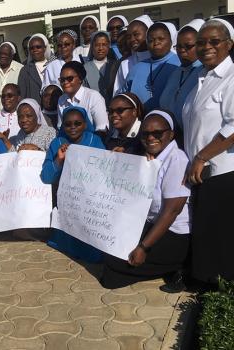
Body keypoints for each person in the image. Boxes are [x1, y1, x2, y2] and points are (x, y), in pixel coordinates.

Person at [101, 110, 190, 290]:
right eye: (145, 134)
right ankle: (161, 267)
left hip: (173, 234)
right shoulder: (148, 157)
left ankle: (176, 267)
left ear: (170, 134)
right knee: (108, 250)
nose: (151, 138)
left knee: (114, 269)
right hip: (150, 224)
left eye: (157, 133)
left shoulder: (177, 160)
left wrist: (143, 247)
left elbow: (171, 211)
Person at [182, 18, 234, 285]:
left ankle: (219, 288)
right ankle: (204, 280)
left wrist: (202, 156)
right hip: (201, 170)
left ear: (229, 44)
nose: (206, 47)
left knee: (219, 231)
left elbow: (233, 126)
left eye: (214, 41)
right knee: (204, 228)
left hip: (223, 169)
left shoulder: (231, 78)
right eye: (201, 42)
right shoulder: (202, 77)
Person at [40, 106, 105, 263]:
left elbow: (104, 170)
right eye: (68, 124)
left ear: (85, 124)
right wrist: (59, 159)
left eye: (77, 123)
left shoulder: (94, 141)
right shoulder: (57, 143)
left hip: (90, 203)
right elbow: (46, 177)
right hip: (69, 203)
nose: (73, 128)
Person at [159, 19, 205, 131]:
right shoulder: (176, 72)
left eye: (188, 46)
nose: (182, 50)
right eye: (178, 46)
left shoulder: (204, 72)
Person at [125, 22, 180, 110]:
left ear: (170, 40)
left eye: (161, 39)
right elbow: (125, 97)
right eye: (151, 40)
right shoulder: (136, 68)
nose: (156, 43)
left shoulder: (180, 64)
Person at [57, 61, 109, 132]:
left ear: (80, 79)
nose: (65, 82)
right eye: (62, 80)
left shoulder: (93, 97)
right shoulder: (61, 100)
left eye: (70, 78)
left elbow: (102, 129)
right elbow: (61, 128)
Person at [113, 15, 154, 95]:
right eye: (128, 36)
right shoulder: (125, 64)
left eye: (136, 34)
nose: (132, 39)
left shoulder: (161, 59)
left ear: (148, 33)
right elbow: (117, 93)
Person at [83, 31, 120, 105]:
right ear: (92, 46)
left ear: (109, 45)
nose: (100, 48)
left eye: (104, 45)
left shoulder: (116, 65)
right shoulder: (85, 68)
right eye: (97, 45)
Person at [0, 42, 23, 115]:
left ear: (12, 55)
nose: (2, 56)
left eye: (6, 54)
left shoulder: (20, 69)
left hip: (16, 116)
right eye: (0, 53)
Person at [18, 33, 53, 103]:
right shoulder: (25, 70)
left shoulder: (53, 65)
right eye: (31, 48)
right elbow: (22, 95)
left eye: (38, 47)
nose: (35, 50)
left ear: (44, 48)